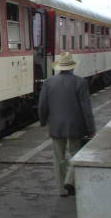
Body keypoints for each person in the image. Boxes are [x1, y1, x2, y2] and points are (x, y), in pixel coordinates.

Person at [38, 51, 95, 197]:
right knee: (75, 154)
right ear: (72, 67)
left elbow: (42, 105)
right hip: (76, 126)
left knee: (59, 158)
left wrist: (43, 120)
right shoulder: (80, 82)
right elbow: (86, 108)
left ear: (59, 67)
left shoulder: (49, 82)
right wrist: (91, 128)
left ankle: (61, 190)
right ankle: (70, 181)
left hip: (56, 126)